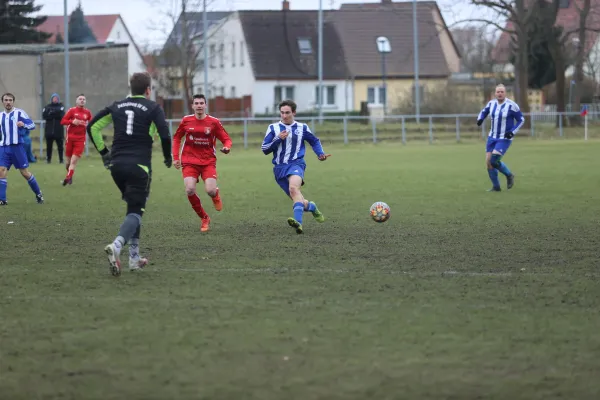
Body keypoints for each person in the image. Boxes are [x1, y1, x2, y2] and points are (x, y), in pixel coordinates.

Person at [87, 72, 172, 277]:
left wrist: (104, 153)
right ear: (148, 90)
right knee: (136, 211)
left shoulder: (117, 106)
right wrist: (168, 158)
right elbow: (165, 133)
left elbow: (92, 127)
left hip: (116, 167)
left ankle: (134, 259)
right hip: (139, 167)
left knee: (133, 209)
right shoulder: (153, 108)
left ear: (130, 89)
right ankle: (117, 246)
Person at [261, 99, 330, 234]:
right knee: (298, 200)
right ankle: (311, 207)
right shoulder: (273, 128)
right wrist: (278, 139)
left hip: (296, 163)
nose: (284, 116)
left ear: (294, 113)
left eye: (287, 113)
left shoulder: (302, 128)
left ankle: (298, 223)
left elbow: (314, 141)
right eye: (282, 113)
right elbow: (265, 149)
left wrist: (320, 154)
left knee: (294, 188)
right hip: (279, 168)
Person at [172, 94, 232, 232]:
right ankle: (204, 218)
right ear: (192, 106)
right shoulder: (186, 121)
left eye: (201, 103)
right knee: (189, 189)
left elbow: (226, 139)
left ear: (205, 105)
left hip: (208, 161)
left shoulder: (214, 122)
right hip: (189, 160)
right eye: (196, 103)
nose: (199, 105)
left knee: (210, 190)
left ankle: (215, 194)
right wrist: (176, 157)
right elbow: (177, 138)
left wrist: (227, 148)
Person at [477, 84, 523, 192]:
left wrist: (512, 132)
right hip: (492, 137)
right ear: (495, 93)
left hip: (504, 138)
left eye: (502, 92)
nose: (500, 94)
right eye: (498, 92)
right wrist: (480, 119)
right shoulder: (491, 103)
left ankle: (509, 175)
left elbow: (521, 120)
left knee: (494, 161)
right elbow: (484, 112)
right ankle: (496, 187)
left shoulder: (512, 105)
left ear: (505, 93)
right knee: (488, 162)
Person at [0, 93, 44, 205]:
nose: (8, 102)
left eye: (10, 100)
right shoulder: (1, 116)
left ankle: (38, 193)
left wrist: (23, 124)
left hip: (17, 148)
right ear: (3, 102)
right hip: (4, 148)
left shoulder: (19, 113)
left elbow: (32, 125)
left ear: (13, 102)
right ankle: (3, 199)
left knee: (24, 173)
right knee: (1, 171)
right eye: (6, 100)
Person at [60, 94, 93, 185]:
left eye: (84, 99)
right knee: (68, 162)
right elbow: (63, 121)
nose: (82, 100)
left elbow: (92, 122)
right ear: (76, 101)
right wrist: (72, 121)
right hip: (70, 139)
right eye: (80, 99)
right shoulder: (72, 111)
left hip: (80, 140)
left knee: (73, 161)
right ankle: (69, 175)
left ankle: (68, 178)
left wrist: (90, 126)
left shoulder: (87, 112)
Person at [42, 93, 65, 164]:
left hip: (58, 131)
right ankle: (48, 159)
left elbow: (61, 115)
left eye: (56, 98)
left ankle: (61, 159)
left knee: (60, 146)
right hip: (49, 131)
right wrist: (53, 114)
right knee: (49, 146)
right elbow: (45, 116)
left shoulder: (61, 107)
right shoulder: (47, 107)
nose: (55, 99)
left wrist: (52, 113)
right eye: (54, 98)